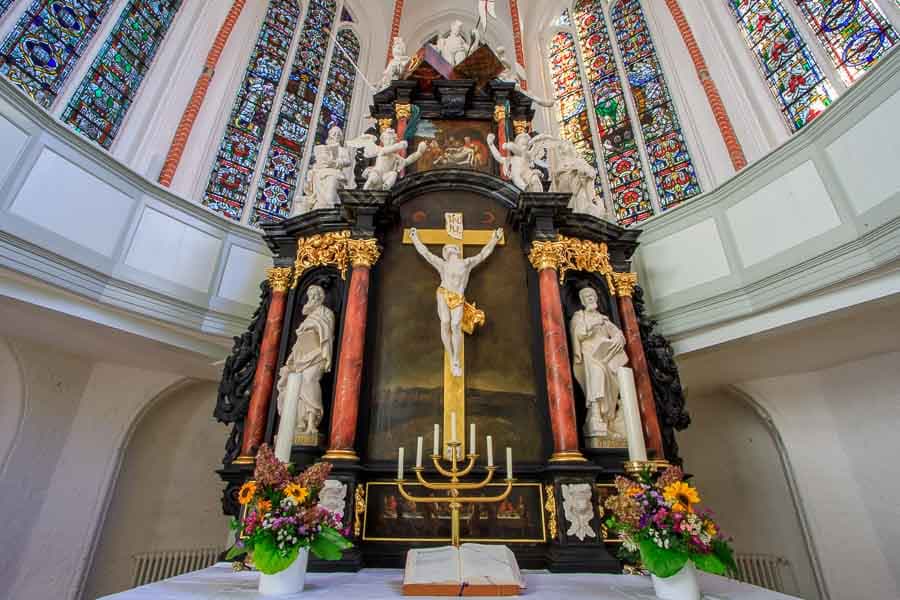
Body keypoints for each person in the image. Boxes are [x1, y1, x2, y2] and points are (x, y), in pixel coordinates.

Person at [409, 227, 503, 376]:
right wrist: (415, 238)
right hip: (443, 293)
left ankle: (456, 359)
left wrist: (494, 239)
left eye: (452, 248)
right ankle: (451, 356)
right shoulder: (443, 264)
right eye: (448, 249)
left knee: (455, 325)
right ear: (445, 253)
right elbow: (425, 253)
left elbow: (483, 254)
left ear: (457, 251)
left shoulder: (467, 263)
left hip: (458, 297)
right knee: (445, 322)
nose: (450, 249)